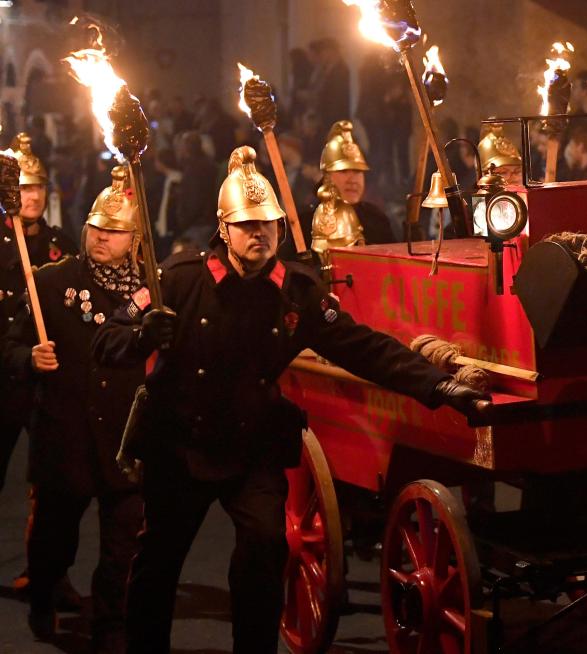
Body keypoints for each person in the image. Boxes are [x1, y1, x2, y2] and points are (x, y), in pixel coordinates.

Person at [91, 146, 488, 653]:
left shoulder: (295, 290)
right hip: (180, 444)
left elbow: (363, 348)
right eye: (247, 226)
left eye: (269, 225)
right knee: (158, 564)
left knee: (264, 548)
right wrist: (143, 335)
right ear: (224, 229)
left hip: (250, 443)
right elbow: (108, 343)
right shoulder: (179, 279)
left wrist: (440, 387)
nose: (260, 235)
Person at [2, 167, 145, 651]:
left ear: (134, 238)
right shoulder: (51, 282)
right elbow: (10, 345)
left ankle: (111, 625)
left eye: (114, 231)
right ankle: (43, 593)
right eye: (96, 229)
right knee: (53, 539)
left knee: (122, 545)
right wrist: (28, 358)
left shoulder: (156, 289)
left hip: (126, 439)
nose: (102, 238)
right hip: (66, 436)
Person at [0, 133, 77, 492]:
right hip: (4, 371)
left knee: (54, 477)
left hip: (46, 375)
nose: (32, 196)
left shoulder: (60, 244)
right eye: (24, 188)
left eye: (39, 188)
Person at [314, 120, 396, 245]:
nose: (352, 180)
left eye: (357, 171)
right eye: (344, 171)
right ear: (326, 177)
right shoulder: (306, 221)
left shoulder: (377, 220)